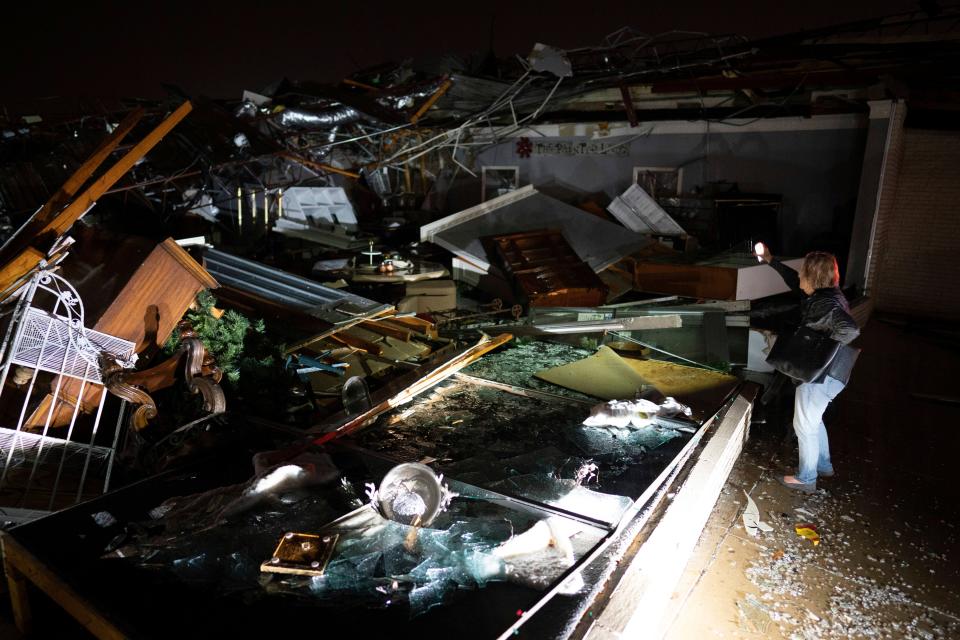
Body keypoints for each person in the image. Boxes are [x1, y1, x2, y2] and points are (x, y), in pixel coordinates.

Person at [755, 245, 860, 493]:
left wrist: (819, 348)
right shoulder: (825, 295)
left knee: (804, 425)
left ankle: (806, 478)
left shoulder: (825, 304)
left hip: (820, 376)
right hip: (834, 374)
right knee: (814, 420)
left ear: (813, 276)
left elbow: (851, 329)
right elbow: (793, 281)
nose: (799, 275)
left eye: (803, 272)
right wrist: (771, 260)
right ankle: (824, 465)